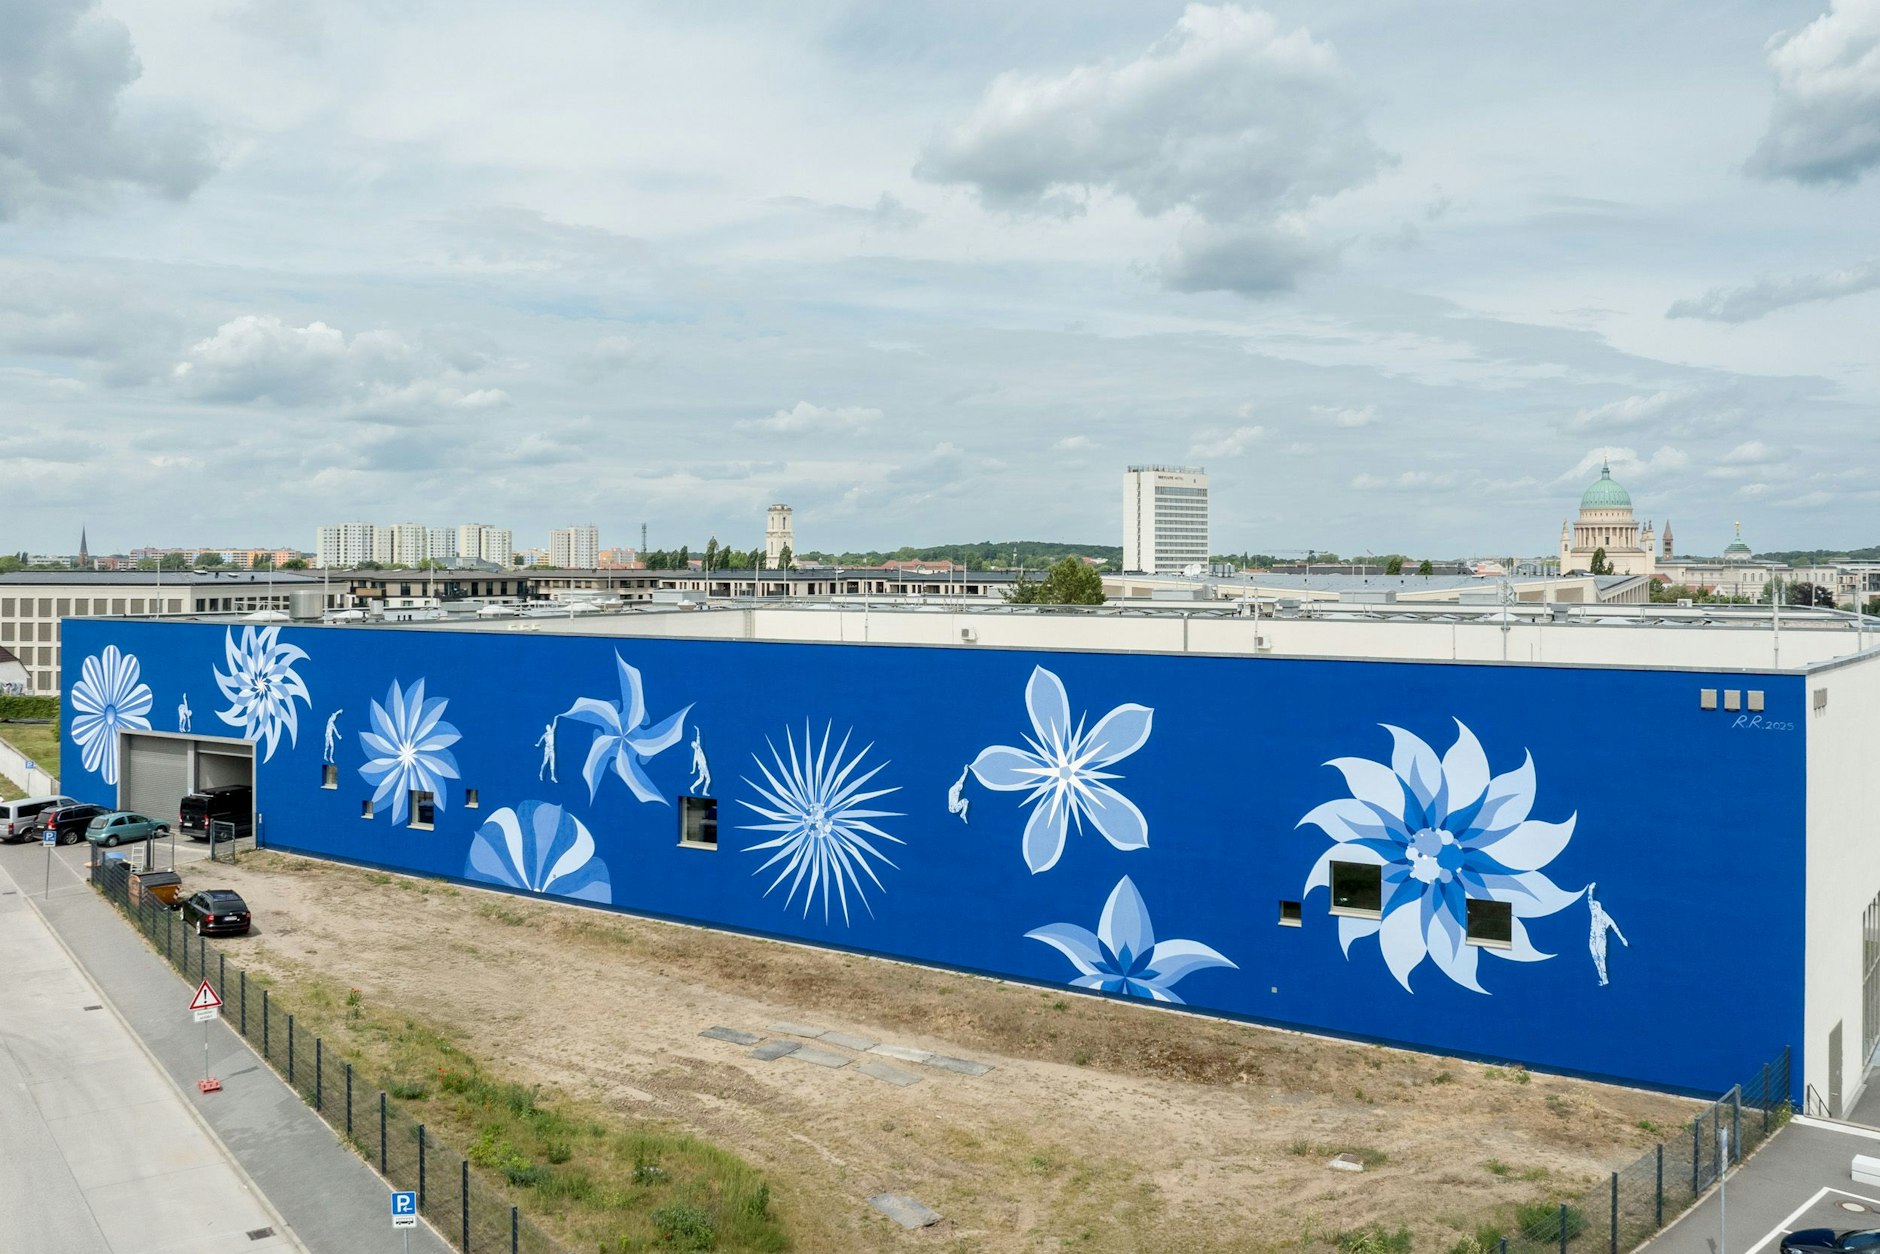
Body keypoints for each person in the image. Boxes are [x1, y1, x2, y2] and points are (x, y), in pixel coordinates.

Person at [1587, 882, 1627, 986]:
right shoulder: (1593, 912)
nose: (1593, 907)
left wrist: (1622, 939)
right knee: (1594, 956)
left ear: (1599, 907)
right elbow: (1589, 899)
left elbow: (1615, 927)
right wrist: (1590, 889)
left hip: (1601, 938)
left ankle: (1605, 979)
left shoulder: (1605, 917)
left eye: (1595, 906)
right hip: (1592, 937)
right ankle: (1601, 977)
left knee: (1601, 958)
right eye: (1593, 906)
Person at [689, 727, 711, 795]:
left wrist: (698, 730)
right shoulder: (696, 753)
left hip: (703, 766)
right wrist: (693, 770)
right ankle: (703, 791)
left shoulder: (699, 748)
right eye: (694, 743)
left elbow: (698, 738)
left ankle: (692, 787)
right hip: (703, 766)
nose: (696, 743)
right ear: (693, 746)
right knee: (708, 779)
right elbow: (694, 762)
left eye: (695, 742)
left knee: (701, 779)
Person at [537, 718, 558, 783]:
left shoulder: (552, 732)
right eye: (548, 727)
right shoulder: (546, 734)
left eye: (550, 727)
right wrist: (538, 744)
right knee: (545, 762)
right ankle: (540, 773)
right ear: (546, 729)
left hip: (552, 749)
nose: (549, 728)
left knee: (552, 762)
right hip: (547, 749)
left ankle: (552, 776)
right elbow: (541, 738)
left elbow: (555, 725)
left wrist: (555, 718)